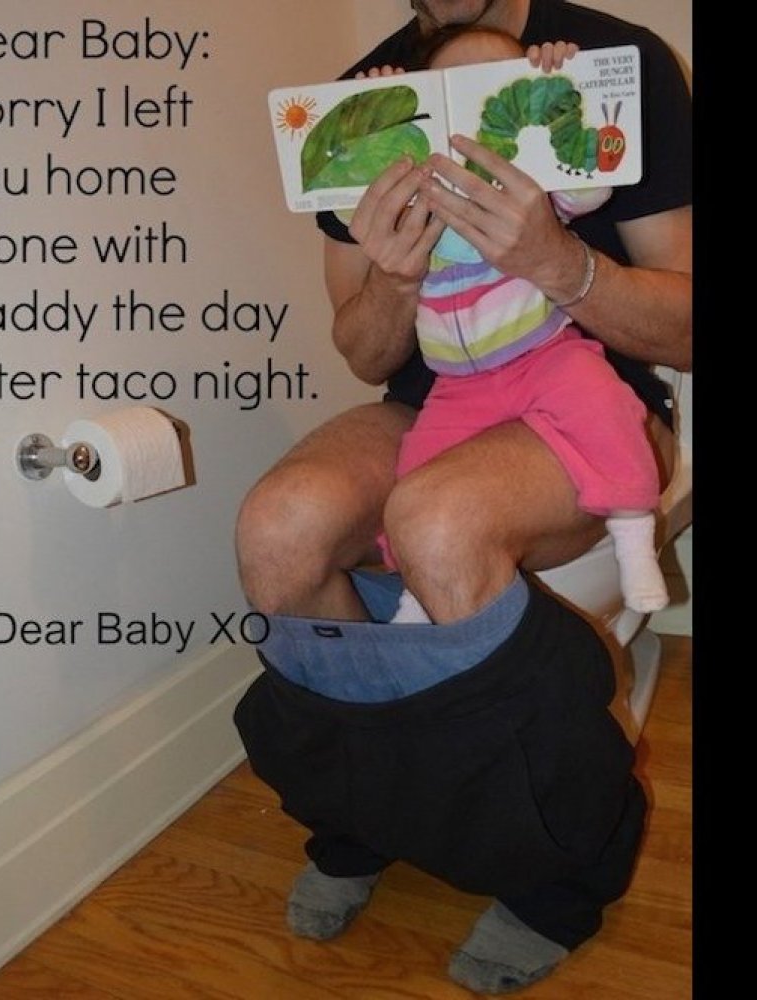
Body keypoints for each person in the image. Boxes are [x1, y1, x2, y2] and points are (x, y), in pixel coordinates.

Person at [234, 1, 691, 995]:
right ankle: (360, 812)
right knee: (278, 527)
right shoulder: (360, 105)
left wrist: (557, 260)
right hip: (438, 393)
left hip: (589, 394)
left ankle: (565, 867)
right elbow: (363, 355)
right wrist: (394, 280)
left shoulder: (612, 60)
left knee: (440, 522)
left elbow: (689, 326)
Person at [373, 26, 668, 623]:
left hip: (544, 356)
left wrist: (561, 95)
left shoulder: (535, 192)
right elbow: (354, 198)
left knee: (605, 410)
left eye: (500, 85)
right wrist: (382, 120)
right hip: (458, 385)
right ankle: (413, 590)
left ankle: (634, 531)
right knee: (414, 475)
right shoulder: (417, 201)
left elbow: (593, 184)